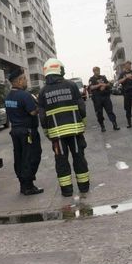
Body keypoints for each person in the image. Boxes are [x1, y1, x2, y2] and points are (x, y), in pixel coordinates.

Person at [37, 58, 89, 197]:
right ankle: (84, 187)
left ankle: (67, 191)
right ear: (60, 69)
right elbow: (81, 107)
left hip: (57, 135)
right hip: (75, 132)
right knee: (79, 158)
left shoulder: (42, 92)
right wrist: (83, 122)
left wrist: (47, 132)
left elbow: (42, 116)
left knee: (61, 161)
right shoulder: (72, 86)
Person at [3, 67, 43, 196]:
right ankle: (28, 186)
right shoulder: (25, 95)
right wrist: (39, 107)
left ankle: (23, 184)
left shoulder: (8, 97)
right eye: (25, 79)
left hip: (15, 131)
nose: (26, 81)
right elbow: (32, 112)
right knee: (32, 156)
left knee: (19, 157)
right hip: (28, 132)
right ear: (19, 81)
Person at [86, 66, 119, 132]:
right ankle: (102, 126)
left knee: (110, 111)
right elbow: (91, 87)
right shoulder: (91, 79)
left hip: (105, 97)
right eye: (96, 71)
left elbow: (108, 84)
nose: (98, 72)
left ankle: (114, 124)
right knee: (99, 113)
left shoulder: (103, 77)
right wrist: (99, 85)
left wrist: (104, 85)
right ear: (94, 71)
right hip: (97, 98)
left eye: (98, 70)